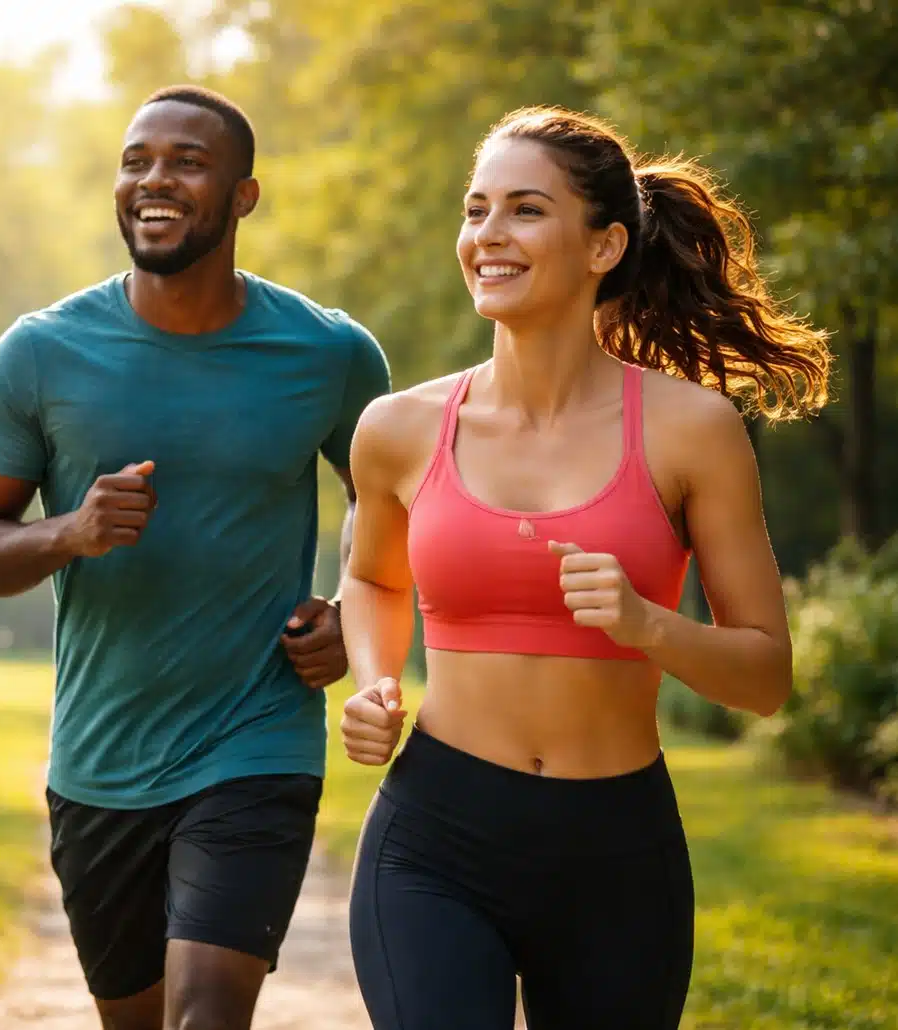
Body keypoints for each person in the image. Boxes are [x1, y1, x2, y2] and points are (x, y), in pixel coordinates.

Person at [338, 106, 833, 1030]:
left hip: (618, 854)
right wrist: (374, 684)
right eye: (475, 208)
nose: (488, 235)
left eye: (524, 210)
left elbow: (765, 675)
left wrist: (649, 625)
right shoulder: (399, 428)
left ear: (605, 245)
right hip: (435, 836)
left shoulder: (694, 430)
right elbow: (371, 579)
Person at [0, 85, 390, 1029]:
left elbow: (391, 507)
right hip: (99, 759)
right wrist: (67, 534)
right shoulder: (42, 352)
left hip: (256, 736)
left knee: (209, 1013)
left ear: (243, 196)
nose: (154, 179)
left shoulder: (329, 354)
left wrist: (352, 615)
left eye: (187, 161)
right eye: (136, 159)